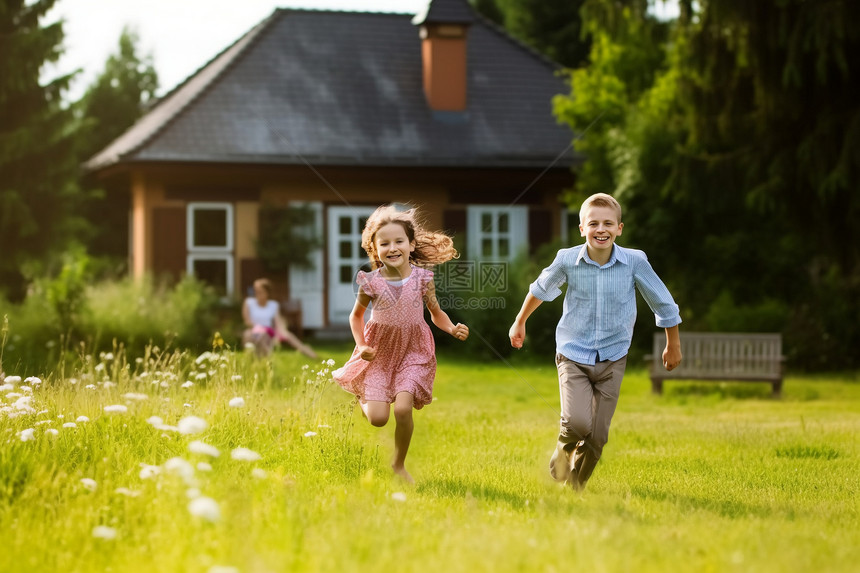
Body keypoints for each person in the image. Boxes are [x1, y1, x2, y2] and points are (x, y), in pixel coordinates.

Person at [508, 193, 682, 492]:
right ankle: (563, 453)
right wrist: (520, 320)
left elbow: (663, 303)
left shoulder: (634, 262)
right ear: (581, 229)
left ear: (619, 228)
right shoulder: (567, 259)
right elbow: (540, 289)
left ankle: (576, 487)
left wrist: (673, 343)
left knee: (598, 435)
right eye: (593, 223)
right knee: (577, 424)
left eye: (607, 223)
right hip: (573, 353)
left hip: (613, 356)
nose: (600, 229)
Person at [333, 205, 469, 483]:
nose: (392, 247)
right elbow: (356, 317)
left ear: (411, 244)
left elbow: (436, 313)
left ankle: (398, 464)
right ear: (374, 248)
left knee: (404, 408)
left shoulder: (422, 279)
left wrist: (451, 328)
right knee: (378, 419)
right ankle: (364, 396)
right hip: (379, 353)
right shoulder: (370, 282)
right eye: (384, 243)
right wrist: (362, 347)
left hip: (413, 350)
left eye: (398, 241)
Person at [242, 278, 318, 359]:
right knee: (255, 335)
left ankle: (312, 355)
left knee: (289, 336)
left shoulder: (273, 305)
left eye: (260, 291)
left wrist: (283, 332)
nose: (257, 294)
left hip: (268, 330)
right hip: (254, 329)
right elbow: (247, 321)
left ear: (267, 292)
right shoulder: (249, 302)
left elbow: (278, 321)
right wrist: (258, 328)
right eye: (256, 291)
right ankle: (264, 360)